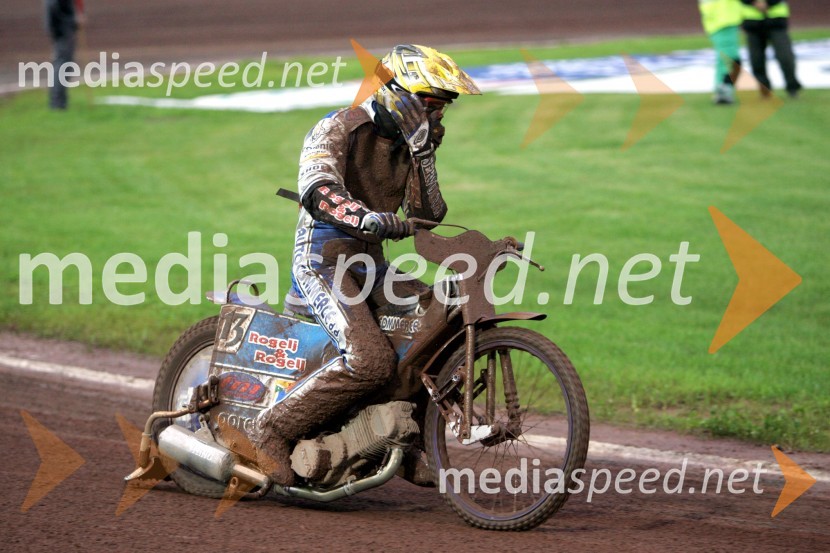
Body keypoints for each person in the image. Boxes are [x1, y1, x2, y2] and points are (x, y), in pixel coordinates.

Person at [252, 44, 481, 486]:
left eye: (441, 109)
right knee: (371, 360)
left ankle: (411, 439)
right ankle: (271, 431)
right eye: (431, 106)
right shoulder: (338, 127)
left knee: (438, 321)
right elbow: (318, 190)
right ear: (399, 94)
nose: (437, 119)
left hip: (371, 266)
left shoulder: (413, 145)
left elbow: (429, 213)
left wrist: (424, 156)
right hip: (322, 260)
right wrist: (363, 217)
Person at [740, 0, 802, 98]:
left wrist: (768, 2)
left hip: (776, 19)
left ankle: (792, 86)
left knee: (785, 56)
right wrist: (754, 2)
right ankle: (764, 89)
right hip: (752, 20)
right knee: (756, 59)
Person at [698, 0, 743, 104]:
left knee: (724, 59)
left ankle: (721, 89)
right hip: (724, 19)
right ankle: (724, 89)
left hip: (716, 20)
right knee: (730, 59)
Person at [45, 0, 85, 110]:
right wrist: (74, 19)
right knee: (63, 64)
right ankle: (57, 103)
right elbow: (53, 5)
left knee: (62, 63)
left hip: (61, 27)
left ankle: (58, 101)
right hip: (63, 28)